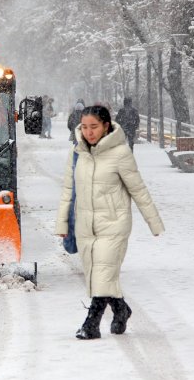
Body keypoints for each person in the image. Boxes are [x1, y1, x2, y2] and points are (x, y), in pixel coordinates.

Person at [55, 105, 164, 339]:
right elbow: (68, 191)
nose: (89, 132)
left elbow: (138, 190)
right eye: (84, 127)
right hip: (86, 226)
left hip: (114, 224)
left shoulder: (121, 154)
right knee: (99, 274)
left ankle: (91, 324)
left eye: (94, 127)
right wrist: (63, 225)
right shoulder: (77, 154)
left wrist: (154, 222)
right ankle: (121, 309)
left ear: (106, 126)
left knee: (103, 273)